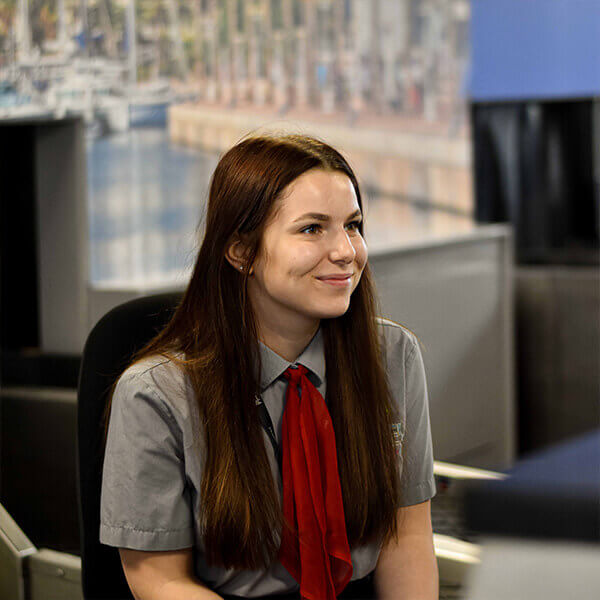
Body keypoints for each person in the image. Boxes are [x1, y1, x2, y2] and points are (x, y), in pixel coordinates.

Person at [100, 134, 438, 599]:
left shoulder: (392, 354)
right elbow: (158, 580)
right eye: (312, 229)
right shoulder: (156, 394)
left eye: (353, 225)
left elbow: (408, 536)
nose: (346, 251)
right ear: (241, 252)